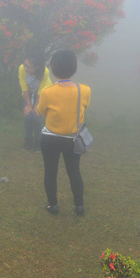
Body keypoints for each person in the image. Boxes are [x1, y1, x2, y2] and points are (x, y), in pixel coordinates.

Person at [36, 50, 90, 216]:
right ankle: (79, 207)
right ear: (74, 68)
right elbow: (83, 108)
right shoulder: (85, 90)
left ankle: (53, 206)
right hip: (72, 140)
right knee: (74, 171)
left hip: (50, 139)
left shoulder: (47, 92)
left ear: (52, 69)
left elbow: (41, 112)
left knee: (50, 172)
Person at [18, 52, 52, 150]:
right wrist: (29, 105)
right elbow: (24, 87)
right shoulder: (22, 69)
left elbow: (41, 90)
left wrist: (36, 106)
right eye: (25, 65)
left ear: (36, 68)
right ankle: (28, 142)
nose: (25, 68)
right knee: (28, 116)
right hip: (29, 93)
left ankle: (38, 144)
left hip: (42, 94)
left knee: (36, 117)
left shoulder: (44, 72)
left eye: (28, 67)